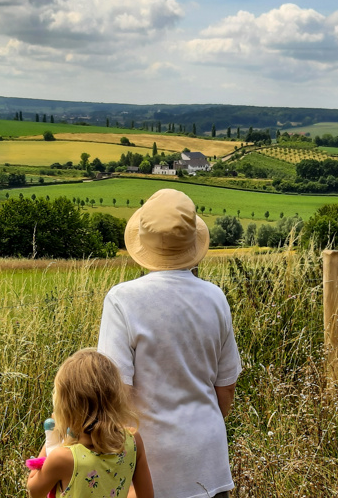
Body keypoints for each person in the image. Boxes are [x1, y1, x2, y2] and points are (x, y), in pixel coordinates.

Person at [98, 188, 242, 498]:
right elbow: (226, 387)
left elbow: (115, 393)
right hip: (209, 463)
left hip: (150, 469)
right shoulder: (215, 297)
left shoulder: (122, 300)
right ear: (192, 240)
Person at [26, 348, 154, 498]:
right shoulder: (133, 440)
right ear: (114, 397)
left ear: (67, 407)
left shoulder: (62, 458)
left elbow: (33, 490)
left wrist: (52, 436)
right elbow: (147, 495)